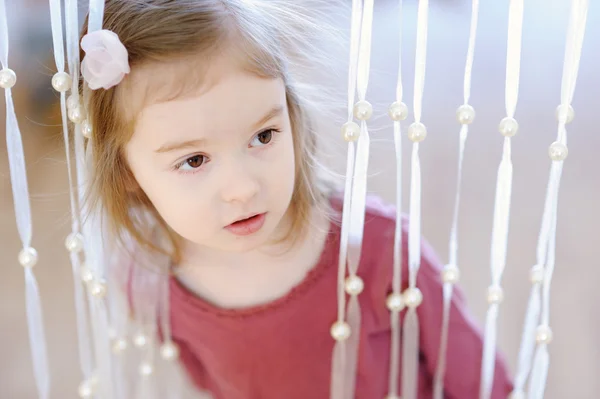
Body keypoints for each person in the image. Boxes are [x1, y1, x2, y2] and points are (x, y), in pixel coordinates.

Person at [79, 0, 513, 398]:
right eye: (194, 160)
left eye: (263, 136)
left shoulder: (379, 249)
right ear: (125, 173)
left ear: (291, 114)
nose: (243, 188)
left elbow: (479, 380)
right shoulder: (147, 279)